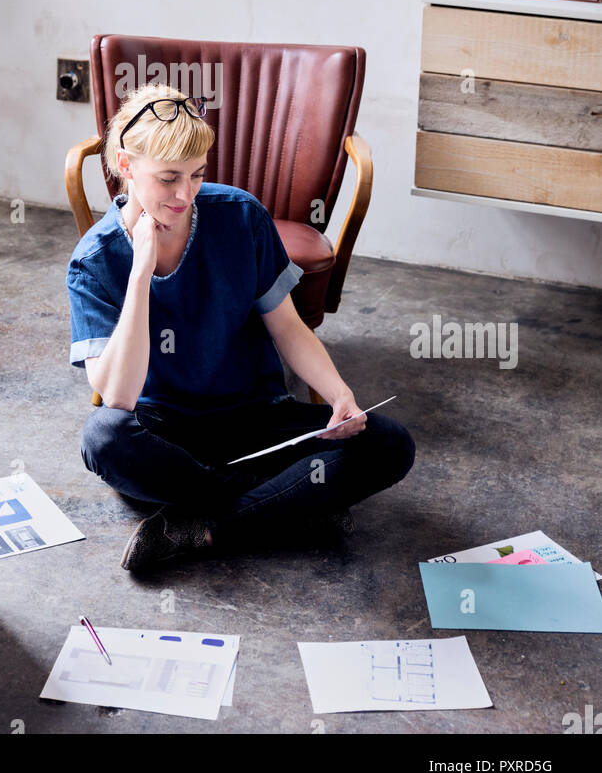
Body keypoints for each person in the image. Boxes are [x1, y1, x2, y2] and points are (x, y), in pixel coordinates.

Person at [66, 82, 415, 573]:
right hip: (165, 439)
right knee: (103, 438)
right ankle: (282, 509)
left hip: (254, 421)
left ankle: (203, 525)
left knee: (387, 442)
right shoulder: (94, 263)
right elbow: (119, 399)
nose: (185, 194)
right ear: (125, 166)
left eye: (197, 175)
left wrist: (339, 396)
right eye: (168, 179)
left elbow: (289, 327)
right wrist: (141, 271)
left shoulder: (241, 216)